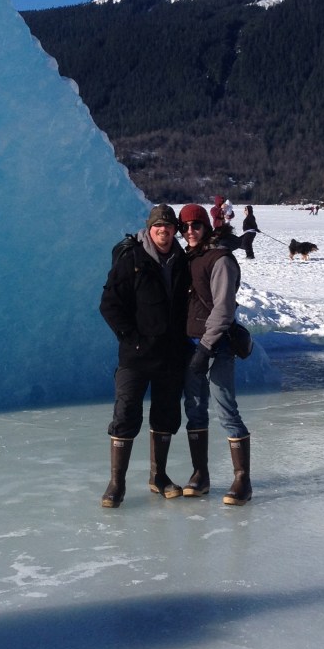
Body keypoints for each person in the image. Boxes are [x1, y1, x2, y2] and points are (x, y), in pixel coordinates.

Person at [98, 204, 192, 507]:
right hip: (135, 357)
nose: (163, 231)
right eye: (158, 227)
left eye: (168, 227)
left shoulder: (182, 261)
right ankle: (117, 483)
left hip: (170, 355)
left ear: (175, 229)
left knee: (166, 416)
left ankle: (158, 476)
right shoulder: (132, 259)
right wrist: (132, 339)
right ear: (149, 230)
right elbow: (110, 304)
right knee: (125, 415)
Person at [177, 203, 252, 505]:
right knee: (194, 410)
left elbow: (223, 308)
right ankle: (200, 474)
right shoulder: (189, 258)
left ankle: (242, 480)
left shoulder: (220, 259)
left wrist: (206, 347)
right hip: (191, 343)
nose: (191, 231)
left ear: (206, 227)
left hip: (215, 345)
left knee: (226, 409)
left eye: (196, 225)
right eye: (185, 227)